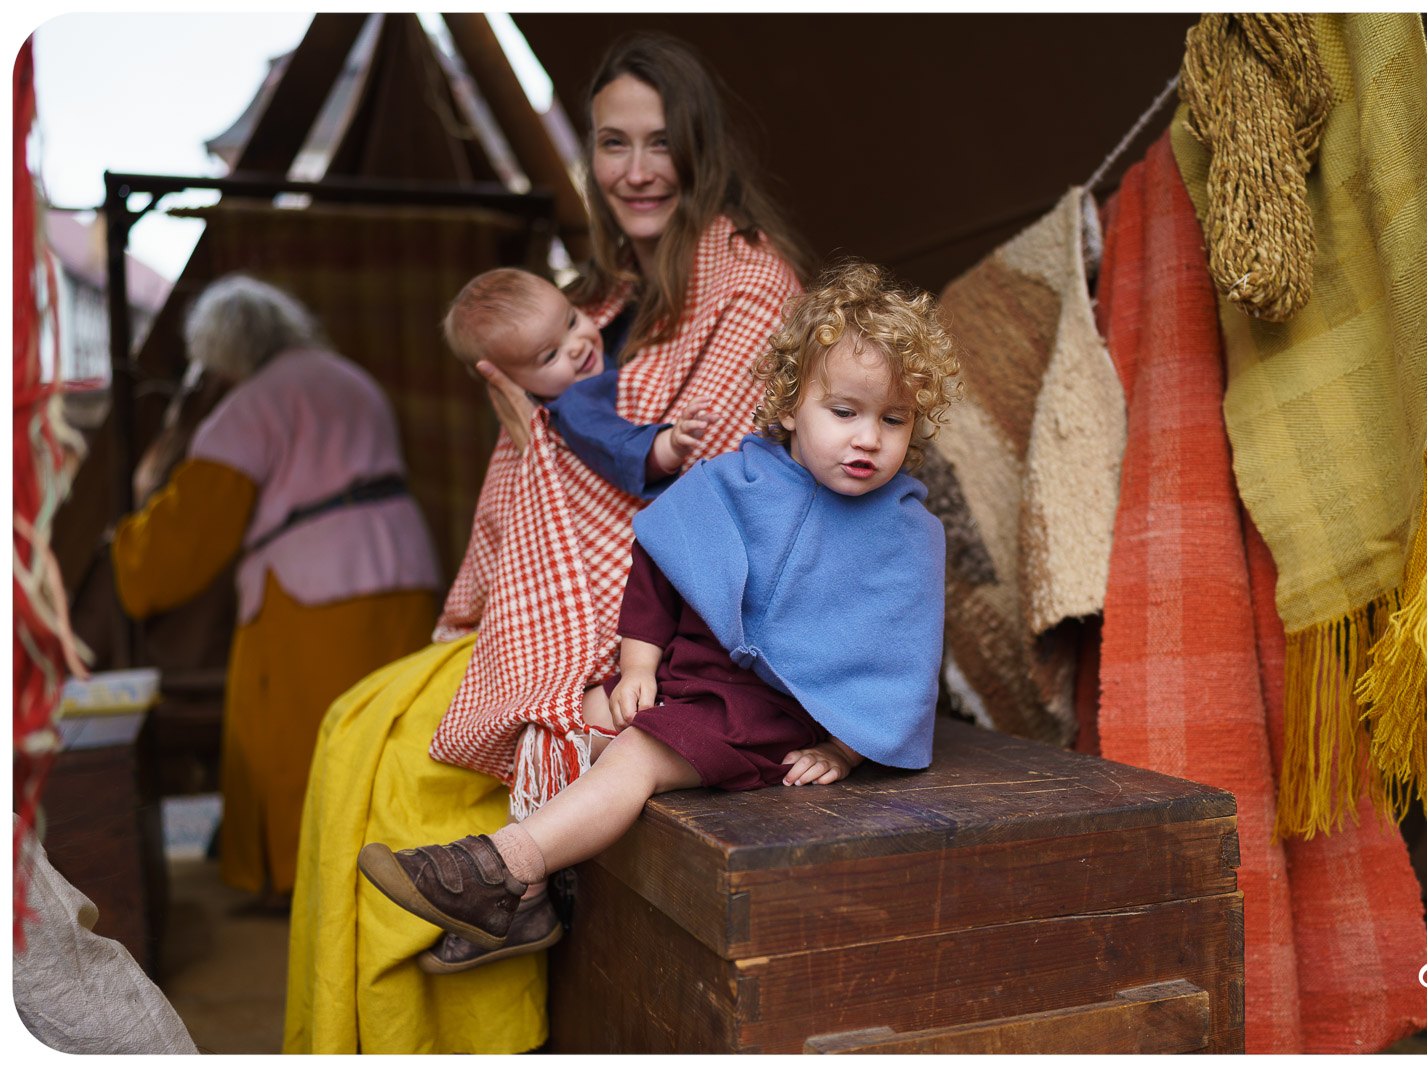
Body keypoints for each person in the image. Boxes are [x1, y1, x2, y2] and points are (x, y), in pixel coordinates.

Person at [284, 32, 809, 1054]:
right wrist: (476, 601)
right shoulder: (597, 299)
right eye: (613, 143)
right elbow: (531, 472)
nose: (637, 170)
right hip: (546, 595)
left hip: (664, 621)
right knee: (353, 728)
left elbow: (704, 493)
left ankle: (480, 1019)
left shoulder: (750, 287)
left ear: (703, 147)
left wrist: (549, 459)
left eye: (661, 141)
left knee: (410, 779)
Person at [357, 261, 962, 961]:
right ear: (791, 405)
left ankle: (499, 868)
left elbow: (901, 656)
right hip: (687, 681)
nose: (868, 438)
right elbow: (661, 562)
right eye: (844, 412)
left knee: (637, 755)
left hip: (771, 714)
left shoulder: (907, 532)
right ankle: (528, 906)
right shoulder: (736, 478)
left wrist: (843, 749)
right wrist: (639, 664)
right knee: (573, 721)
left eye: (894, 419)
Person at [112, 275, 440, 905]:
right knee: (391, 733)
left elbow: (197, 525)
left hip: (312, 589)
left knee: (298, 738)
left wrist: (130, 551)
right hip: (402, 566)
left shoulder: (253, 404)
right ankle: (400, 868)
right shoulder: (350, 378)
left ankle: (306, 880)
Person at [441, 267, 714, 500]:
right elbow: (619, 449)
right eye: (550, 355)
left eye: (571, 322)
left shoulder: (597, 354)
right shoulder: (576, 406)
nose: (576, 346)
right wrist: (670, 445)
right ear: (513, 383)